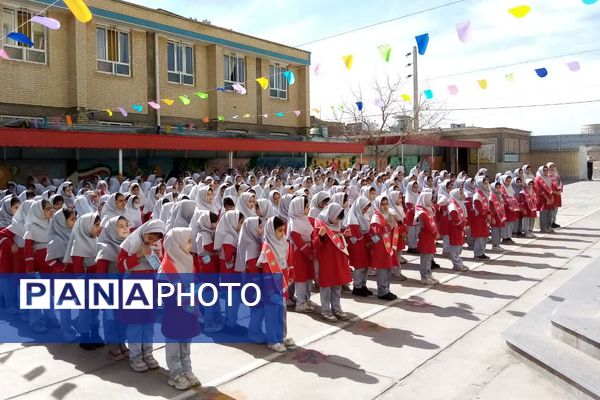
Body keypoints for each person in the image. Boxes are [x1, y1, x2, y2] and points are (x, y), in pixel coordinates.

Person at [117, 219, 166, 373]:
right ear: (144, 232)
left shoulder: (156, 245)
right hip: (134, 286)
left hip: (150, 285)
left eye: (156, 239)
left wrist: (158, 256)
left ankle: (148, 353)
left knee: (149, 322)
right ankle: (136, 357)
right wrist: (137, 255)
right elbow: (120, 266)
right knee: (136, 323)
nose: (152, 241)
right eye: (150, 238)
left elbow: (158, 266)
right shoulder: (130, 243)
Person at [160, 227, 202, 390]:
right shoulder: (165, 268)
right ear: (176, 244)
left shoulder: (188, 260)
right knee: (174, 344)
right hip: (174, 313)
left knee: (186, 342)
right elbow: (164, 293)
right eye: (188, 241)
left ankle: (186, 369)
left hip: (188, 310)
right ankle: (175, 373)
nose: (191, 245)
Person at [63, 212, 104, 349]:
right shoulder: (78, 244)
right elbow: (77, 268)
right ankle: (85, 335)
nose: (99, 228)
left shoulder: (95, 240)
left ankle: (95, 334)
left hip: (96, 282)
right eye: (96, 225)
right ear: (86, 226)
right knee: (85, 311)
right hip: (84, 285)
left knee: (95, 310)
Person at [257, 216, 295, 352]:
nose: (282, 234)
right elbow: (267, 272)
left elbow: (287, 262)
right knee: (272, 312)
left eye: (283, 230)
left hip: (282, 282)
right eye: (279, 231)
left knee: (282, 311)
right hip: (271, 286)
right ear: (272, 231)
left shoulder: (283, 242)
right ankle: (272, 340)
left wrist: (290, 276)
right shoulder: (267, 248)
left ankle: (281, 336)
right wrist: (269, 291)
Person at [96, 216, 130, 360]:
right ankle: (113, 344)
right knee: (111, 317)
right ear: (111, 230)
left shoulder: (129, 246)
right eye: (120, 226)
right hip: (110, 289)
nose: (125, 228)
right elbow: (100, 274)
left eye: (126, 225)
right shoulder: (105, 248)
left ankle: (122, 341)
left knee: (123, 316)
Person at [313, 203, 351, 322]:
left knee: (337, 283)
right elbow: (315, 245)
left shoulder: (337, 224)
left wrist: (345, 236)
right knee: (326, 285)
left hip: (338, 258)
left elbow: (339, 241)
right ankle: (325, 310)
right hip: (326, 260)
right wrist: (321, 236)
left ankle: (336, 308)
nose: (337, 221)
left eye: (339, 218)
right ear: (331, 214)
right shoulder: (320, 224)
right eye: (336, 218)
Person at [287, 196, 316, 312]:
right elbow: (298, 241)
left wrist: (312, 249)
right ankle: (300, 303)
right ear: (299, 208)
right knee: (300, 279)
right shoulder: (294, 223)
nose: (308, 208)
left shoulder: (305, 220)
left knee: (308, 278)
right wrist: (308, 251)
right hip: (298, 255)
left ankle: (306, 300)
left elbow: (311, 235)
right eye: (306, 207)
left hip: (307, 254)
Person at [370, 195, 398, 300]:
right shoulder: (376, 217)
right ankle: (382, 291)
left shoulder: (388, 215)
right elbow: (375, 232)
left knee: (388, 268)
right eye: (382, 204)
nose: (385, 206)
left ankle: (387, 289)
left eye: (386, 204)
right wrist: (388, 226)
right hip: (380, 247)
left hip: (388, 245)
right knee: (382, 269)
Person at [343, 196, 372, 297]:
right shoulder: (352, 218)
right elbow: (356, 234)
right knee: (359, 267)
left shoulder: (364, 216)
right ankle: (357, 287)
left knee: (365, 266)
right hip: (357, 246)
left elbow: (367, 231)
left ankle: (363, 285)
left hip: (364, 245)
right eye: (364, 208)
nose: (365, 210)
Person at [415, 189, 439, 285]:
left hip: (430, 236)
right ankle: (424, 276)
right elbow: (427, 225)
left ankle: (428, 274)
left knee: (429, 257)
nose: (432, 200)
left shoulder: (428, 209)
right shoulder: (422, 212)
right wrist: (435, 232)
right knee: (425, 257)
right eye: (431, 198)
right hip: (426, 236)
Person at [447, 188, 468, 271]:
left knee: (459, 246)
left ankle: (458, 262)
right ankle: (457, 264)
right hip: (455, 228)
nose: (462, 195)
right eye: (460, 193)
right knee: (455, 246)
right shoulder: (452, 205)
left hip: (460, 228)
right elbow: (455, 219)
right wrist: (462, 226)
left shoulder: (459, 203)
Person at [471, 177, 491, 261]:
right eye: (485, 183)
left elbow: (487, 206)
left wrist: (489, 214)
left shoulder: (485, 193)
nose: (487, 185)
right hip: (479, 218)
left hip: (484, 217)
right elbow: (479, 208)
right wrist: (486, 215)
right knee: (480, 236)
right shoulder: (477, 195)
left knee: (484, 235)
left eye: (487, 183)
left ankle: (482, 252)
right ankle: (478, 254)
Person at [534, 165, 554, 233]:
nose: (546, 172)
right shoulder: (538, 179)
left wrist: (551, 197)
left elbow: (551, 188)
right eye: (544, 170)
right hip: (542, 198)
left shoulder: (548, 177)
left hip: (549, 197)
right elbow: (540, 190)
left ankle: (549, 227)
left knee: (550, 213)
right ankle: (543, 228)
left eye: (546, 170)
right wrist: (547, 198)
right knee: (543, 214)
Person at [490, 182, 507, 252]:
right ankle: (494, 245)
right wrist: (492, 218)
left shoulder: (500, 195)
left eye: (499, 187)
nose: (498, 189)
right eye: (496, 188)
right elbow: (490, 208)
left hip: (500, 216)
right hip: (495, 216)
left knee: (499, 230)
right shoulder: (491, 196)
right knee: (495, 231)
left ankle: (498, 244)